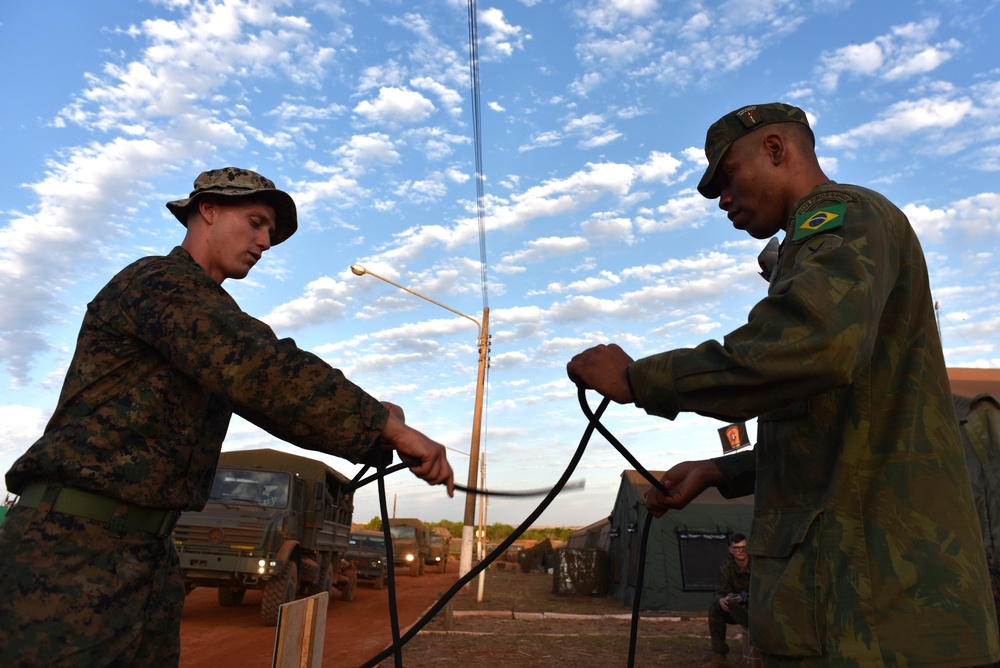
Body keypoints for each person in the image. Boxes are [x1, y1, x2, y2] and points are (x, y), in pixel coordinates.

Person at [567, 103, 1000, 666]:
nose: (722, 199)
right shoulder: (819, 245)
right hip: (851, 611)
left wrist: (637, 378)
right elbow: (834, 424)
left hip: (878, 620)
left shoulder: (841, 212)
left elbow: (811, 346)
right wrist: (721, 471)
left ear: (776, 149)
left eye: (728, 177)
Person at [0, 167, 455, 667]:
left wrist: (376, 433)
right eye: (256, 222)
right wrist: (387, 427)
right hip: (71, 546)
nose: (264, 242)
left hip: (147, 552)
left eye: (270, 235)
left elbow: (272, 396)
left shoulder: (208, 313)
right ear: (208, 210)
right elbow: (262, 367)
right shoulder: (157, 282)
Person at [704, 533, 752, 668]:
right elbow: (719, 591)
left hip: (758, 608)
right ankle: (720, 657)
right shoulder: (727, 566)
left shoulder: (758, 564)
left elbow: (767, 588)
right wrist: (721, 600)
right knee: (715, 608)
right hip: (739, 608)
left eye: (743, 547)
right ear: (731, 550)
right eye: (737, 548)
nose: (741, 551)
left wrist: (752, 596)